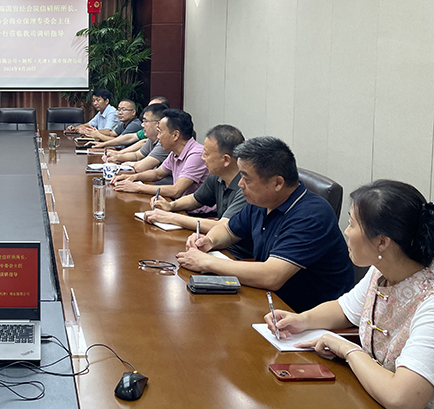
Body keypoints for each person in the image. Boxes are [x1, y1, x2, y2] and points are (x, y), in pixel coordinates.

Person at [265, 180, 434, 409]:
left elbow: (403, 399)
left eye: (352, 224)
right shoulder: (382, 269)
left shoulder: (430, 302)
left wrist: (347, 349)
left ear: (382, 242)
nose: (346, 232)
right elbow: (345, 309)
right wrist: (301, 320)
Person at [177, 136, 353, 312]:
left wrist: (207, 262)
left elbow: (272, 276)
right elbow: (228, 230)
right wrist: (209, 241)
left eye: (246, 178)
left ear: (277, 183)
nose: (240, 184)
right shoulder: (261, 202)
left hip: (306, 315)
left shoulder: (312, 214)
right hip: (269, 301)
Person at [144, 124, 251, 258]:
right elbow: (195, 199)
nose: (202, 158)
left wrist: (171, 217)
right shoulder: (217, 176)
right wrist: (171, 206)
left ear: (226, 160)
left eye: (207, 154)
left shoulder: (247, 187)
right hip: (218, 246)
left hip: (239, 256)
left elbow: (224, 226)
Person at [111, 109, 209, 200]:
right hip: (179, 205)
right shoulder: (175, 152)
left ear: (175, 135)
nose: (158, 137)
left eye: (160, 132)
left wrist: (137, 187)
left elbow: (176, 191)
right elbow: (158, 174)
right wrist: (133, 177)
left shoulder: (196, 154)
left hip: (194, 212)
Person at [104, 103, 170, 173]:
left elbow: (141, 167)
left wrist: (124, 162)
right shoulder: (152, 139)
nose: (142, 125)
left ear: (158, 123)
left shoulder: (164, 141)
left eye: (145, 121)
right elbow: (137, 155)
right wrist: (116, 157)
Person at [91, 96, 169, 150]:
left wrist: (98, 135)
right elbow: (128, 138)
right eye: (119, 109)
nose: (120, 112)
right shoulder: (147, 136)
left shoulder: (165, 139)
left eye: (124, 109)